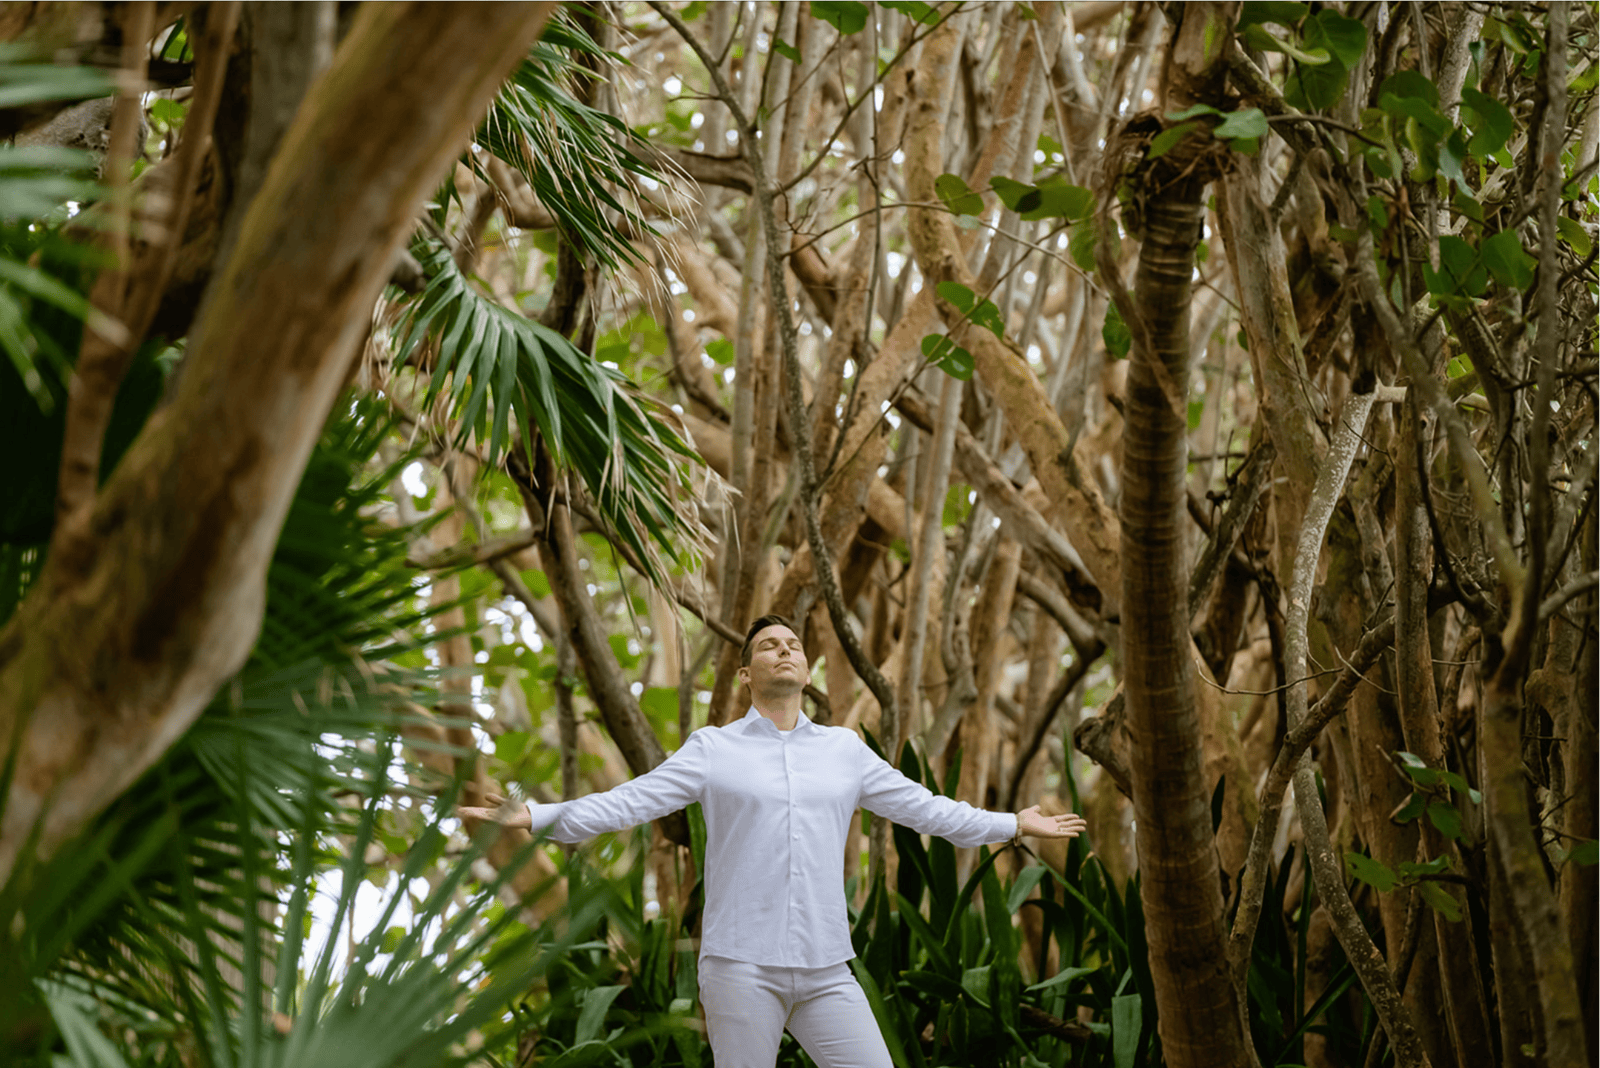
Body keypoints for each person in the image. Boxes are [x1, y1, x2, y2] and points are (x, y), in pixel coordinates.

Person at [461, 613, 1088, 1068]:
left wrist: (1012, 824)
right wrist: (537, 816)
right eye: (769, 645)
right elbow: (630, 800)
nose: (784, 650)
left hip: (826, 968)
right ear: (745, 673)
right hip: (739, 967)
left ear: (806, 669)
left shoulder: (844, 751)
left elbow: (927, 810)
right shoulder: (713, 749)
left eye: (793, 645)